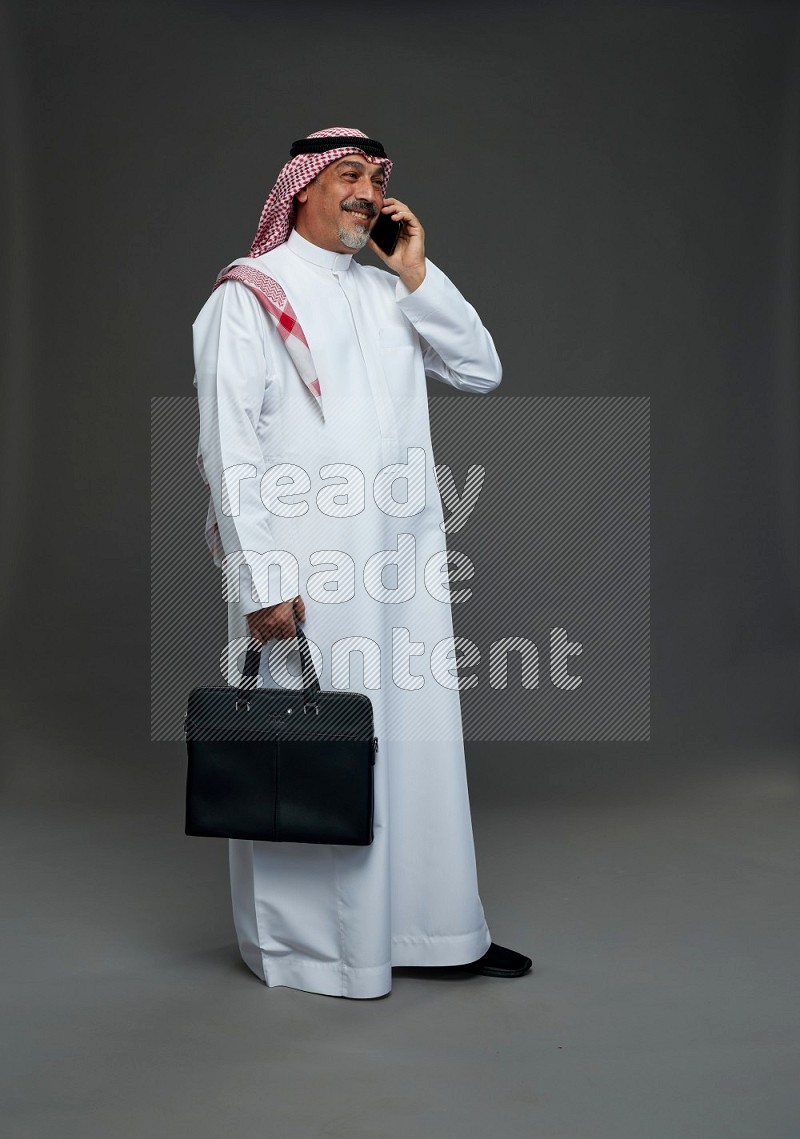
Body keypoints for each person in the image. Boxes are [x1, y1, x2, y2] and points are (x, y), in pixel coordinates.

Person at [191, 126, 532, 998]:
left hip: (403, 565)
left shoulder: (391, 295)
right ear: (298, 189)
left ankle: (433, 931)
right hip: (309, 574)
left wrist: (415, 271)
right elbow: (230, 448)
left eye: (377, 179)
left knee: (413, 746)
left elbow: (482, 369)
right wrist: (261, 584)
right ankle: (320, 953)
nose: (368, 192)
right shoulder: (250, 295)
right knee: (317, 747)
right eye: (350, 175)